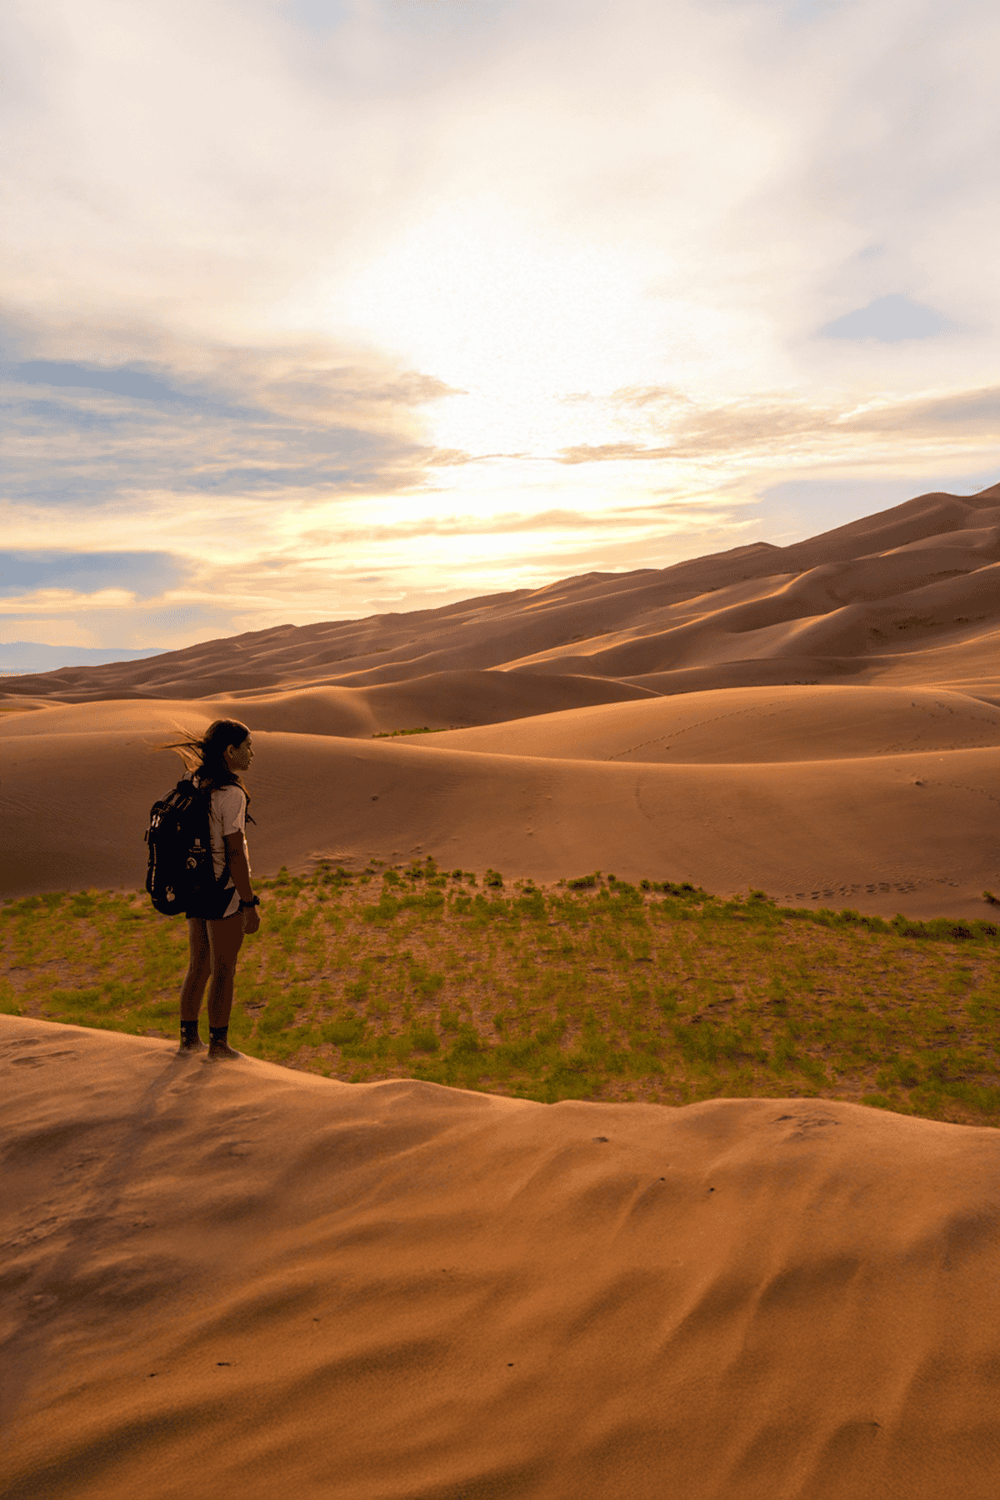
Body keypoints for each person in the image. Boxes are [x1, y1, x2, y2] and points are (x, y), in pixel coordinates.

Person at [166, 719, 261, 1060]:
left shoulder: (194, 782)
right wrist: (248, 903)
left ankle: (188, 1039)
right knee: (224, 967)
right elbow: (235, 852)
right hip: (222, 891)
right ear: (229, 751)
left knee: (198, 964)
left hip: (193, 885)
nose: (252, 754)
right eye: (247, 747)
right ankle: (219, 1045)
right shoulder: (230, 794)